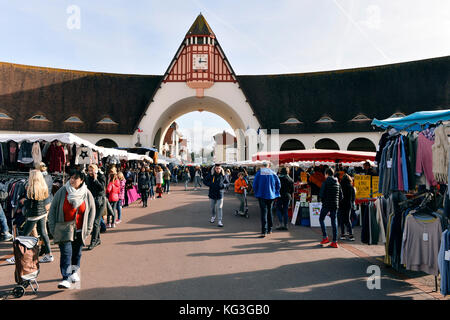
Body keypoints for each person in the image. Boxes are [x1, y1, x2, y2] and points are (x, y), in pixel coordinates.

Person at [48, 170, 96, 289]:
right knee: (66, 253)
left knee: (77, 253)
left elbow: (92, 211)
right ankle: (65, 278)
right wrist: (53, 229)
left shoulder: (86, 193)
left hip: (80, 230)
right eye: (71, 177)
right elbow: (53, 210)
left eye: (75, 178)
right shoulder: (62, 191)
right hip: (64, 229)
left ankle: (74, 272)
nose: (72, 180)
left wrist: (88, 229)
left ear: (81, 180)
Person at [21, 170, 54, 263]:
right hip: (42, 213)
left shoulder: (31, 188)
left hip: (33, 214)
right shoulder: (43, 186)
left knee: (24, 235)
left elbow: (30, 205)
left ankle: (18, 256)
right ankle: (49, 254)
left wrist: (24, 201)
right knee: (43, 233)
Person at [252, 162, 280, 238]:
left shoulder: (259, 173)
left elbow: (254, 184)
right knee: (269, 211)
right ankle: (270, 229)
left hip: (261, 195)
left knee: (263, 212)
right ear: (268, 166)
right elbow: (278, 184)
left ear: (262, 166)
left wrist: (256, 192)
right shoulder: (273, 173)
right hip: (271, 195)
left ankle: (264, 231)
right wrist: (276, 192)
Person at [319, 168, 343, 248]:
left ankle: (325, 237)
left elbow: (321, 195)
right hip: (335, 205)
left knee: (321, 219)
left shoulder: (325, 182)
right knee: (334, 222)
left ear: (327, 174)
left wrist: (323, 201)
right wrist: (336, 201)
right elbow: (341, 196)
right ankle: (335, 241)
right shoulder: (337, 183)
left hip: (326, 204)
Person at [86, 164, 106, 250]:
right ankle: (98, 239)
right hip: (91, 201)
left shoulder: (101, 176)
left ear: (96, 170)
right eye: (89, 170)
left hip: (100, 201)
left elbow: (102, 188)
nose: (90, 172)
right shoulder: (88, 177)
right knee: (94, 222)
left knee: (96, 222)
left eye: (92, 170)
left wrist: (95, 179)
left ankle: (93, 241)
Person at [338, 174, 356, 241]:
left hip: (341, 204)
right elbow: (353, 198)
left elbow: (339, 196)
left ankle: (342, 234)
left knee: (342, 219)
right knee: (348, 219)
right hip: (348, 204)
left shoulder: (340, 186)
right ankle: (351, 235)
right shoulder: (351, 187)